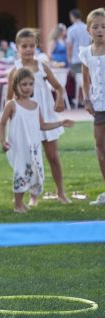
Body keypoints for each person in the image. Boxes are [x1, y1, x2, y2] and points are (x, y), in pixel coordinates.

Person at [7, 28, 69, 204]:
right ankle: (33, 196)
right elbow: (8, 99)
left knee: (53, 156)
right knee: (31, 158)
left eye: (32, 46)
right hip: (27, 121)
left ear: (36, 46)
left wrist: (59, 100)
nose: (28, 49)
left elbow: (58, 87)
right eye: (24, 46)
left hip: (47, 116)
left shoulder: (42, 67)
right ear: (17, 48)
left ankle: (61, 192)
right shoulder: (15, 71)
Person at [0, 68, 73, 212]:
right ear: (16, 86)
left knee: (34, 172)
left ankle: (24, 201)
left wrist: (60, 123)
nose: (27, 88)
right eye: (24, 84)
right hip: (18, 145)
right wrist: (2, 141)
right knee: (20, 171)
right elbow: (2, 124)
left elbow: (42, 125)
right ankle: (18, 203)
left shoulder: (35, 105)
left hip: (34, 146)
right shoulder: (11, 105)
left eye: (30, 84)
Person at [79, 8, 105, 206]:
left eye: (103, 26)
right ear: (88, 30)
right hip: (99, 105)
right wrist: (87, 99)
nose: (100, 30)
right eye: (95, 26)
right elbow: (85, 79)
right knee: (100, 147)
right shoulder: (86, 53)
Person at [67, 9, 91, 76]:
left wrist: (69, 59)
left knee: (77, 82)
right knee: (87, 80)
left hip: (75, 58)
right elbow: (91, 43)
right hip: (87, 58)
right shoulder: (87, 28)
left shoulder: (70, 29)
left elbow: (70, 46)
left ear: (72, 16)